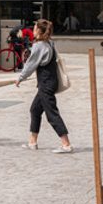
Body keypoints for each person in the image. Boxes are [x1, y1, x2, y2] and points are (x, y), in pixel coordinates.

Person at [15, 19, 74, 153]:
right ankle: (32, 142)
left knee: (52, 113)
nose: (33, 30)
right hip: (49, 82)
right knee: (35, 110)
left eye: (35, 28)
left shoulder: (39, 46)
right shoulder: (50, 43)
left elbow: (31, 64)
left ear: (39, 31)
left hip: (46, 84)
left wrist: (20, 78)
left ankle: (66, 144)